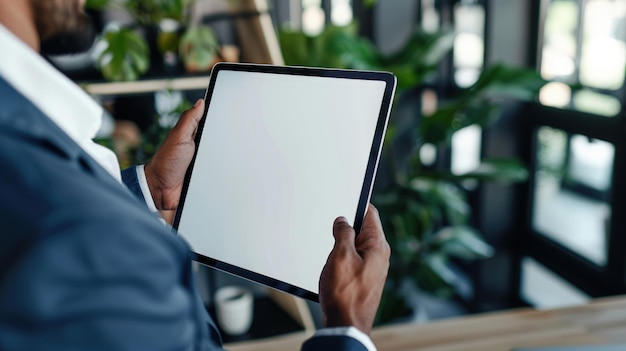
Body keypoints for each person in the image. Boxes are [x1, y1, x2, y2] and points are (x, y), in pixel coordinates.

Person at [0, 1, 391, 350]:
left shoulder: (22, 136)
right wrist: (346, 329)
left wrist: (152, 187)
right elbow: (76, 226)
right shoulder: (77, 231)